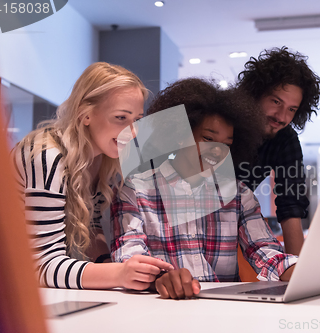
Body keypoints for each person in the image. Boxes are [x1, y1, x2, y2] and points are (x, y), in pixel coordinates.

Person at [111, 78, 299, 299]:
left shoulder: (239, 195)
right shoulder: (136, 191)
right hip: (162, 312)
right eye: (208, 138)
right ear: (181, 136)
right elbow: (129, 256)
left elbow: (267, 254)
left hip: (225, 316)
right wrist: (159, 278)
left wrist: (311, 272)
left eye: (226, 144)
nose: (217, 151)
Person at [12, 62, 173, 290]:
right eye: (120, 118)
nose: (133, 131)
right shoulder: (47, 157)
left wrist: (112, 266)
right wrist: (119, 273)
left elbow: (90, 226)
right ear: (85, 114)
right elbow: (42, 265)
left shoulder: (104, 158)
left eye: (137, 119)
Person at [236, 46, 320, 282]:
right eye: (276, 101)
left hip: (236, 227)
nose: (282, 116)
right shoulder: (218, 122)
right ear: (255, 93)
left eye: (292, 109)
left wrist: (303, 281)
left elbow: (290, 208)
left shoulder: (285, 139)